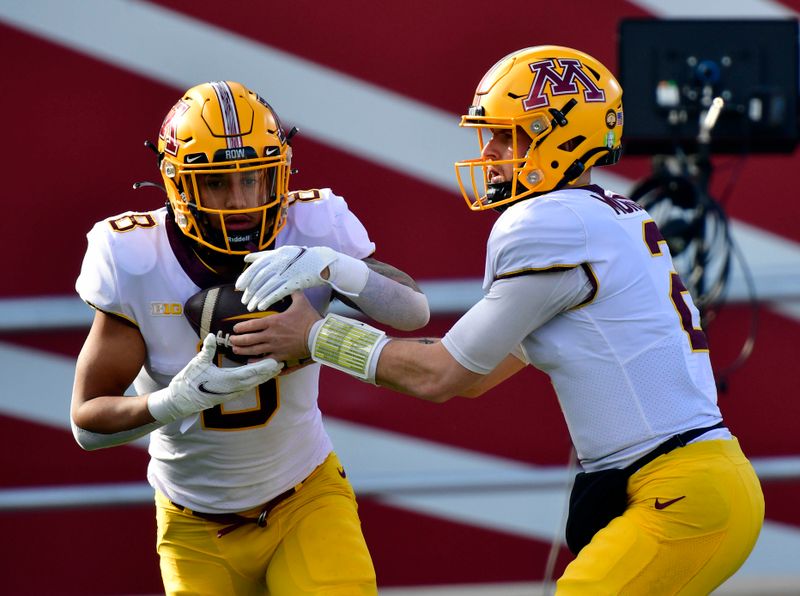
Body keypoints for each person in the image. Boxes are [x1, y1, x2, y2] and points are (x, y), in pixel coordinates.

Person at [232, 47, 765, 594]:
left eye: (508, 136)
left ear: (561, 139)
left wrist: (317, 336)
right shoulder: (603, 218)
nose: (489, 152)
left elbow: (439, 374)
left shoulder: (549, 223)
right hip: (686, 481)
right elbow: (472, 376)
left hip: (680, 491)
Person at [70, 80, 429, 596]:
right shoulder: (135, 256)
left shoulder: (311, 228)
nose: (239, 200)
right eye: (216, 183)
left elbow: (413, 312)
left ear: (279, 175)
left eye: (255, 177)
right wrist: (173, 402)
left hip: (306, 497)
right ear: (178, 185)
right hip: (195, 525)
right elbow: (87, 424)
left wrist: (335, 266)